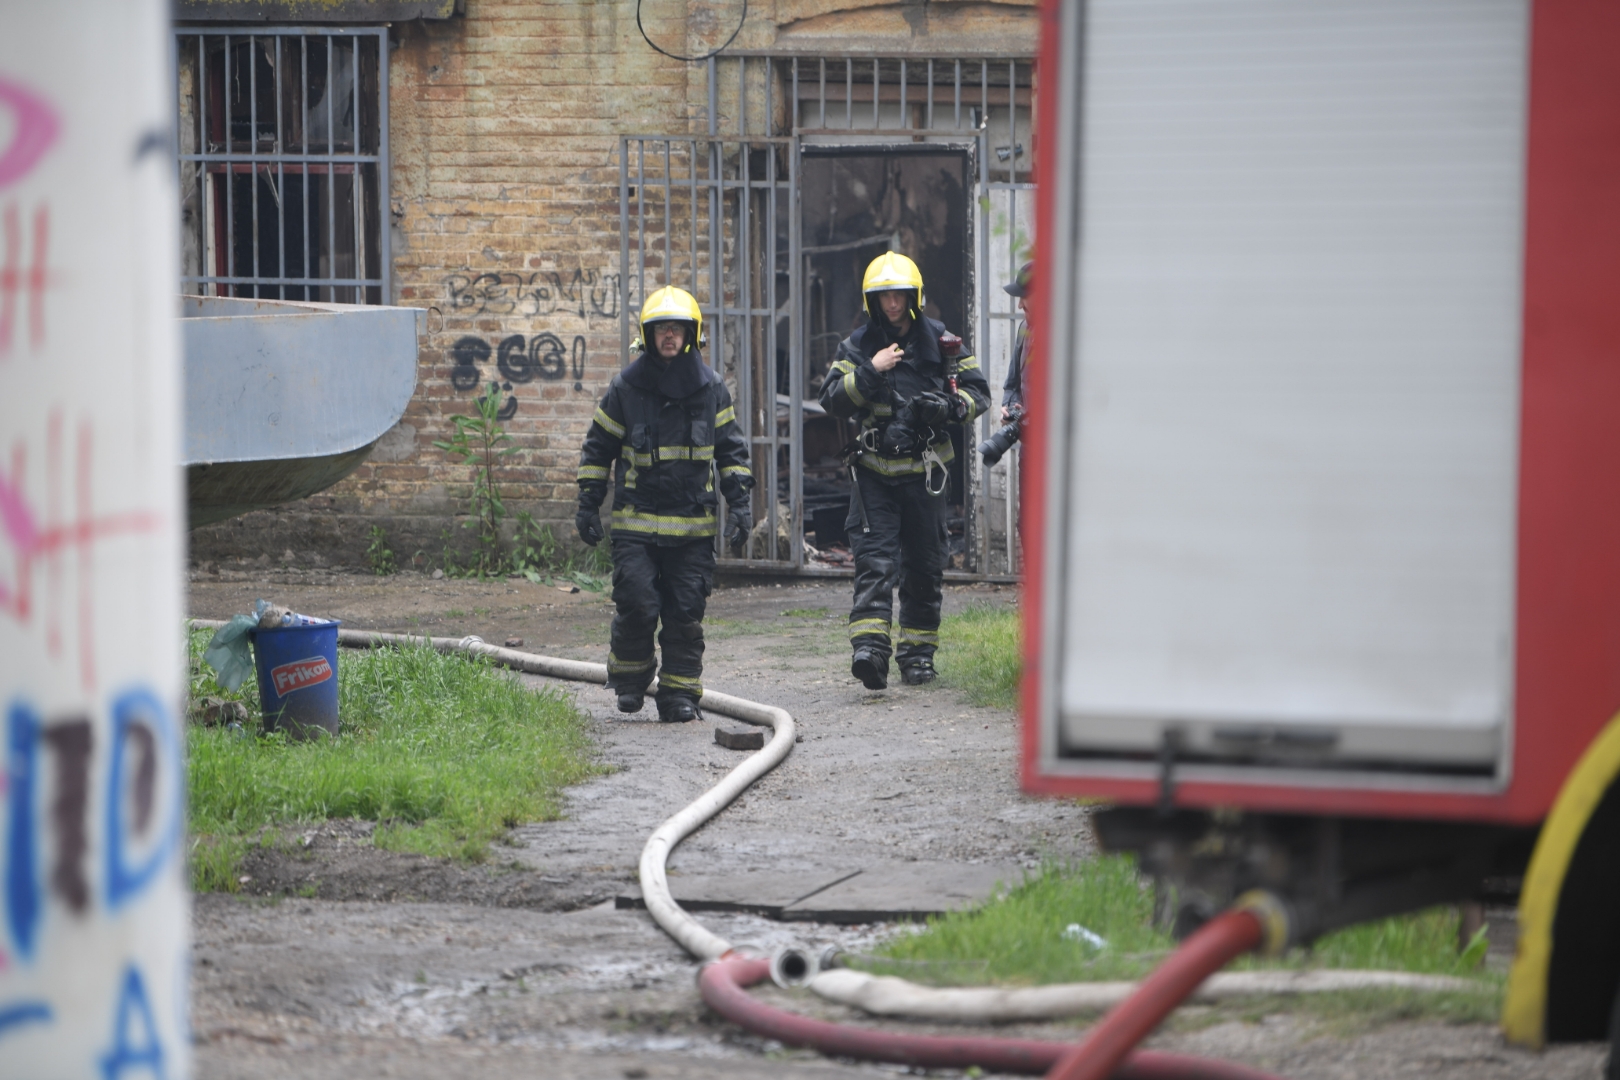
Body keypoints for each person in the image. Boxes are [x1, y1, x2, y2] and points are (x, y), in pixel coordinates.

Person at [575, 286, 753, 722]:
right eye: (661, 329)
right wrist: (588, 503)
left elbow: (731, 452)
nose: (669, 335)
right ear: (647, 335)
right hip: (636, 525)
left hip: (692, 529)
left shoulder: (711, 390)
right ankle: (631, 680)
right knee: (636, 602)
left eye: (677, 329)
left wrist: (741, 505)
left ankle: (678, 695)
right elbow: (598, 449)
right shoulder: (626, 388)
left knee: (684, 612)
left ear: (692, 335)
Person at [819, 252, 991, 690]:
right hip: (875, 475)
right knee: (874, 563)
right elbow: (833, 399)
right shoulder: (858, 346)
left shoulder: (942, 342)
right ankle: (870, 653)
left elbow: (979, 394)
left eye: (899, 295)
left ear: (914, 297)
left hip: (926, 474)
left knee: (924, 565)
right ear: (871, 301)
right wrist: (870, 371)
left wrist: (950, 406)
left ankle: (917, 657)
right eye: (884, 297)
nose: (892, 304)